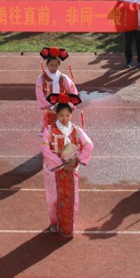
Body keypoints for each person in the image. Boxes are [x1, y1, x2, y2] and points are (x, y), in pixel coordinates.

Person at [41, 93, 93, 238]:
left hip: (70, 170)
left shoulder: (76, 130)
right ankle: (55, 223)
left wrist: (76, 161)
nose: (64, 119)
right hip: (54, 171)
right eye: (61, 115)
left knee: (71, 198)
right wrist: (60, 164)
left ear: (71, 115)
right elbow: (46, 150)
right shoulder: (49, 130)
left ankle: (68, 226)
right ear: (56, 115)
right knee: (53, 198)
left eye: (67, 116)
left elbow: (88, 145)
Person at [35, 47, 78, 136]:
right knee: (48, 130)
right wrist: (49, 105)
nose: (53, 67)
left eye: (56, 65)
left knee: (61, 130)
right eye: (51, 65)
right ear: (47, 64)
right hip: (48, 108)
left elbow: (72, 90)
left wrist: (69, 103)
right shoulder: (41, 78)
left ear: (58, 65)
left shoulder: (63, 78)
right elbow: (39, 94)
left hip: (61, 107)